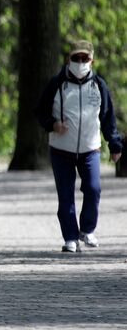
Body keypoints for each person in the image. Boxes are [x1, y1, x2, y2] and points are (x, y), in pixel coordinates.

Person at [34, 39, 123, 253]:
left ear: (92, 60)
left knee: (93, 189)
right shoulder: (57, 83)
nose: (81, 62)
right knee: (66, 195)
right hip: (61, 149)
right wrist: (53, 125)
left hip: (90, 148)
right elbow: (40, 111)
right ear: (69, 59)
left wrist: (115, 144)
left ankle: (87, 229)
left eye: (85, 58)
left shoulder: (99, 85)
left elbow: (108, 117)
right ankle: (70, 237)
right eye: (77, 58)